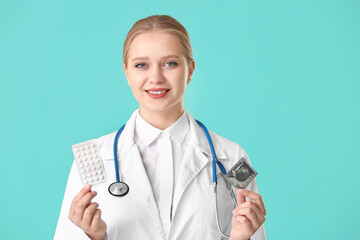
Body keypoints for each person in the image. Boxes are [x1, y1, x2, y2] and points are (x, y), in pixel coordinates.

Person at [54, 15, 266, 240]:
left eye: (170, 63)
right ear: (127, 72)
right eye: (141, 65)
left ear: (190, 70)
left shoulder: (233, 158)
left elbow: (253, 231)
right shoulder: (91, 159)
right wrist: (95, 237)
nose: (155, 77)